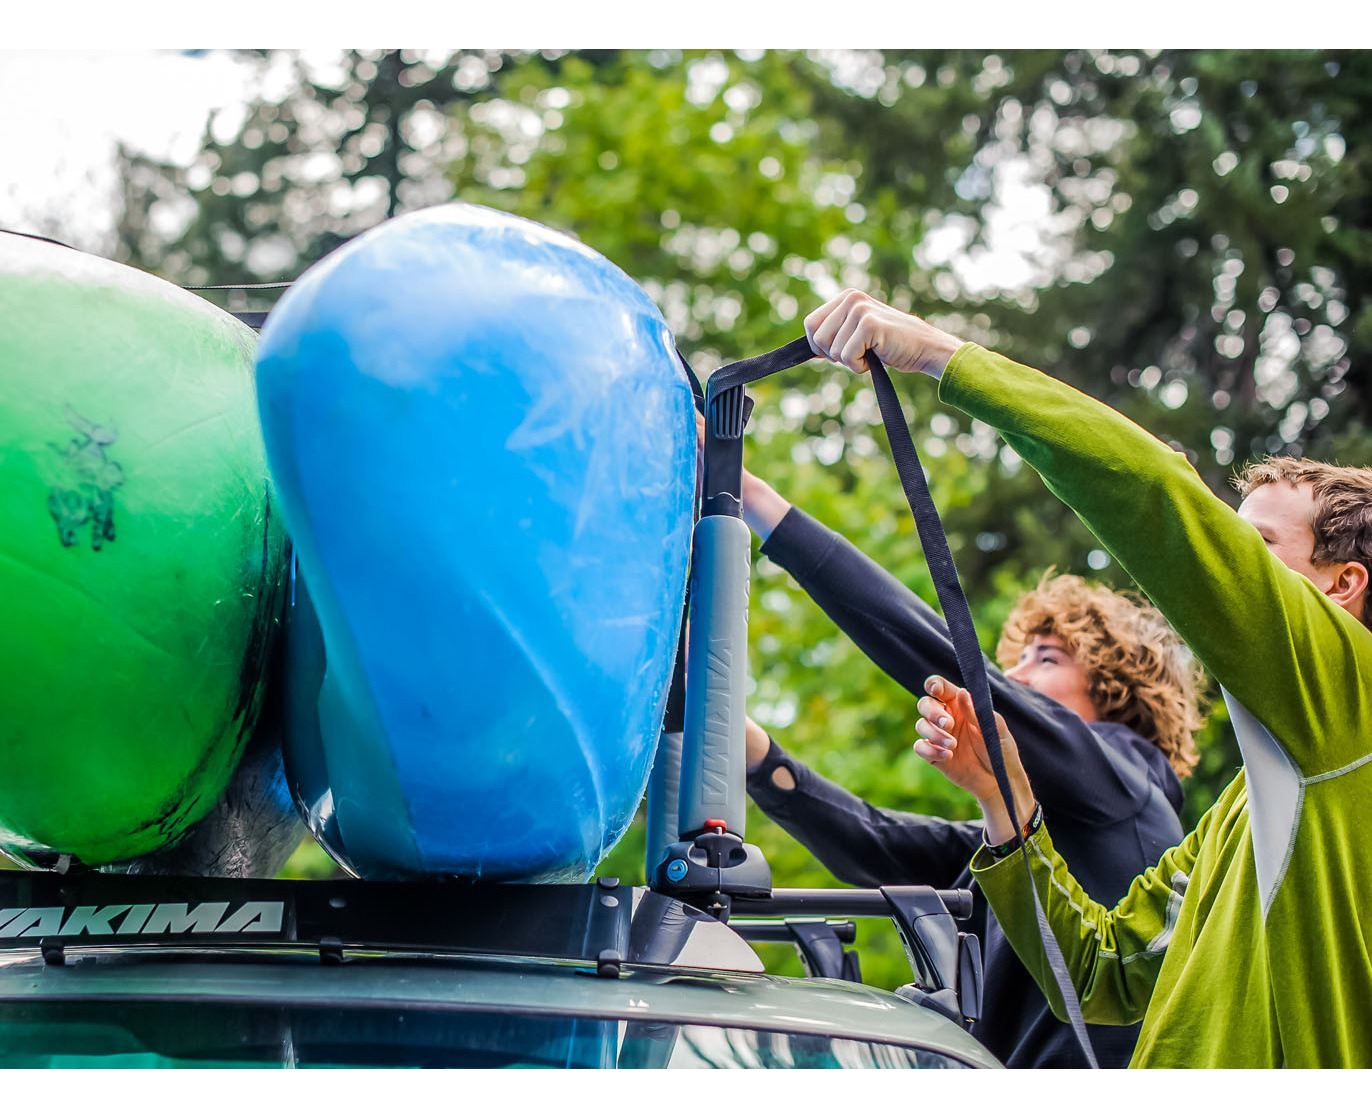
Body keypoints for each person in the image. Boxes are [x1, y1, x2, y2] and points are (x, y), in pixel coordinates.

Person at [805, 289, 1372, 1068]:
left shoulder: (1354, 703)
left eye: (1257, 546)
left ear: (1342, 586)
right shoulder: (1246, 810)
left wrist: (943, 354)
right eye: (1228, 541)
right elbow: (1104, 971)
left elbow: (1154, 491)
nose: (1226, 562)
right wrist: (1009, 806)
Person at [735, 458, 1201, 1067]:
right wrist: (735, 736)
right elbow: (872, 840)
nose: (1015, 675)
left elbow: (943, 659)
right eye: (1020, 661)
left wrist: (755, 498)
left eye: (1047, 659)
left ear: (1116, 687)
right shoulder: (1021, 838)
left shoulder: (1123, 778)